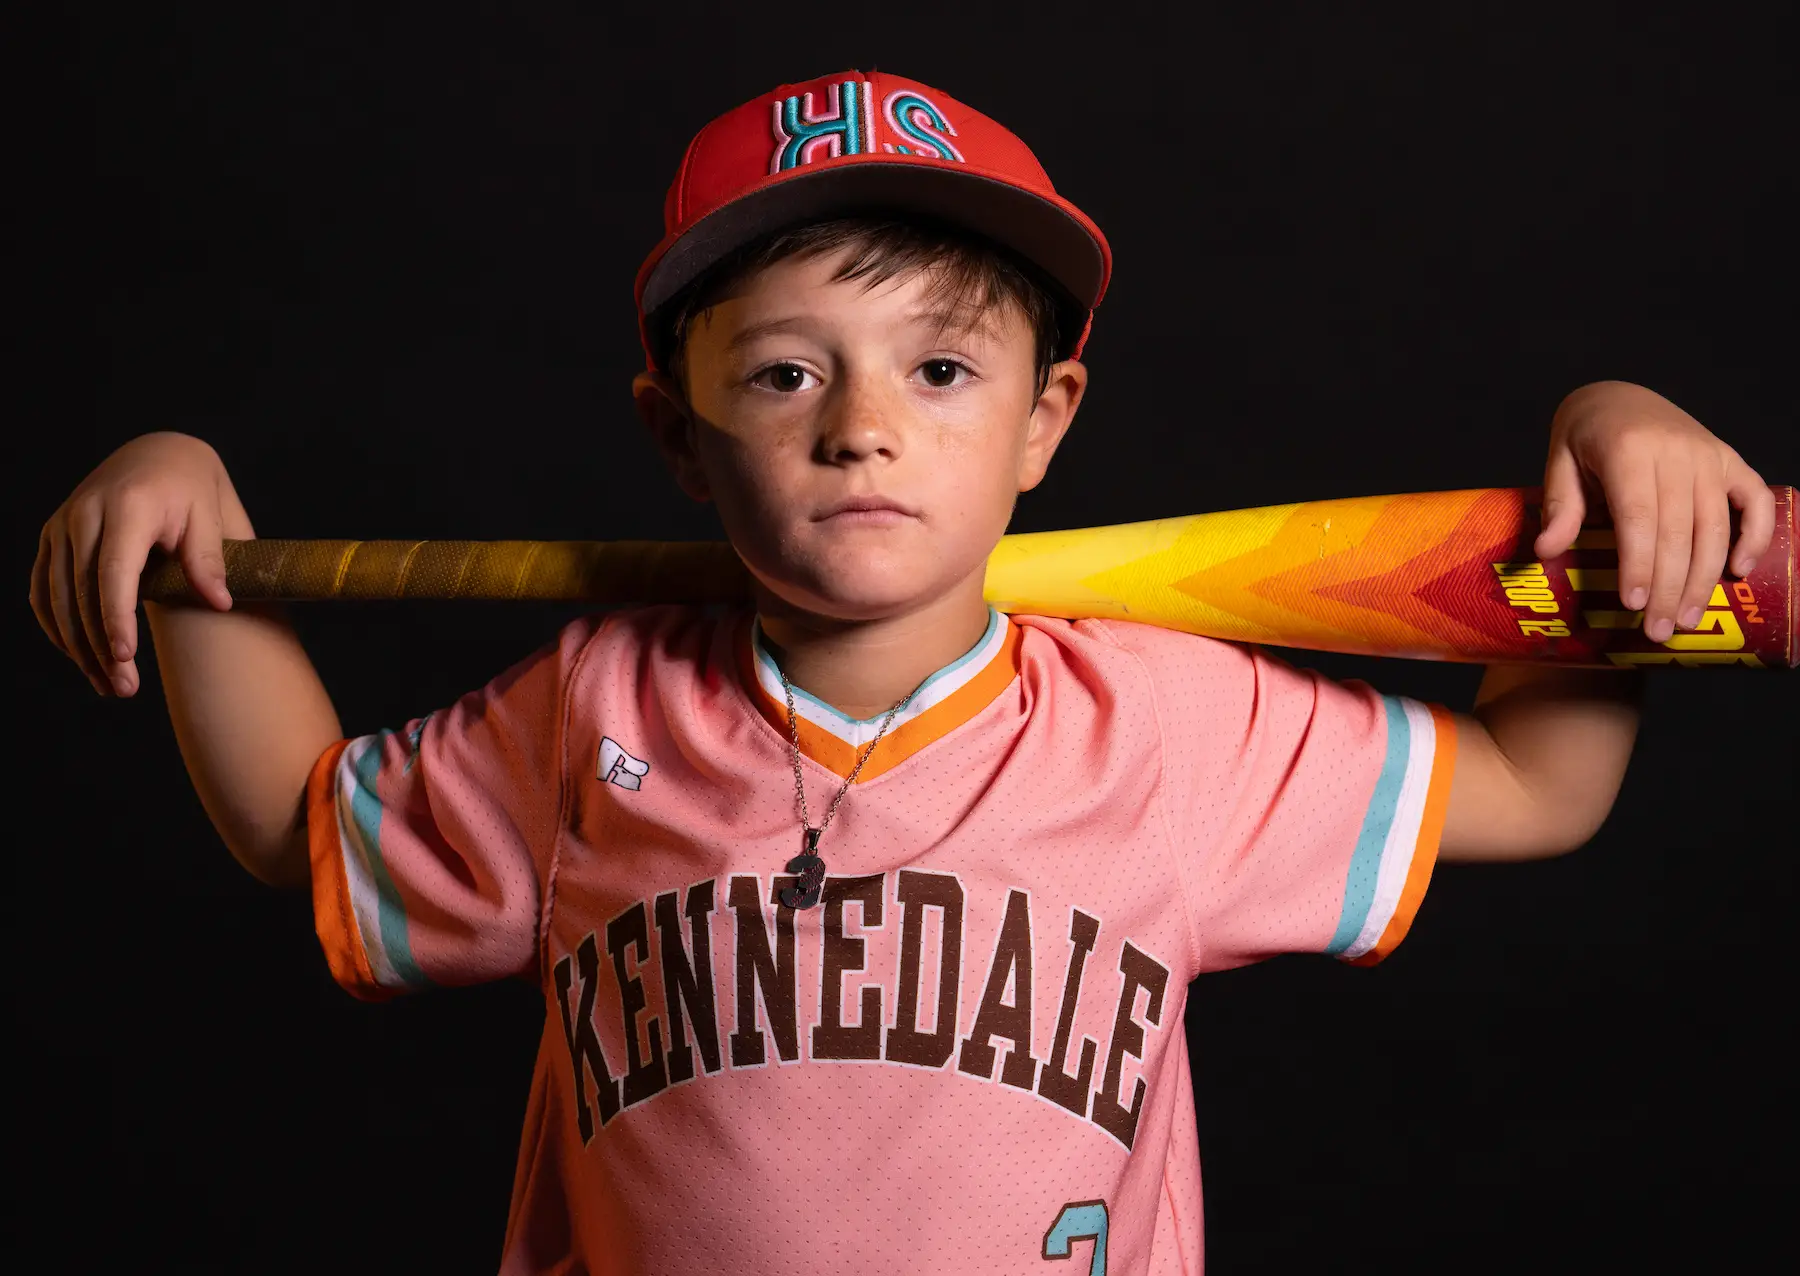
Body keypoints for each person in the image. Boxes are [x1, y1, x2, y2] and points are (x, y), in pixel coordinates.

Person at [32, 71, 1776, 1274]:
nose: (863, 426)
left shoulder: (1170, 723)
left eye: (942, 370)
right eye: (785, 373)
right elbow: (302, 829)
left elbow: (1540, 788)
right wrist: (190, 545)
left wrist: (1621, 468)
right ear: (677, 435)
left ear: (1045, 422)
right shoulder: (596, 710)